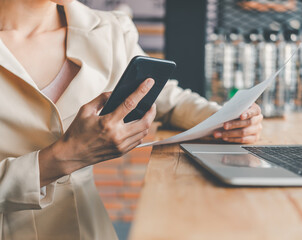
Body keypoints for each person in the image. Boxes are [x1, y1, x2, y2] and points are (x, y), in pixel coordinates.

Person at [0, 0, 263, 239]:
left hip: (90, 228)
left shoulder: (109, 29)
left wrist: (229, 118)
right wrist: (65, 156)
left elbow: (166, 98)